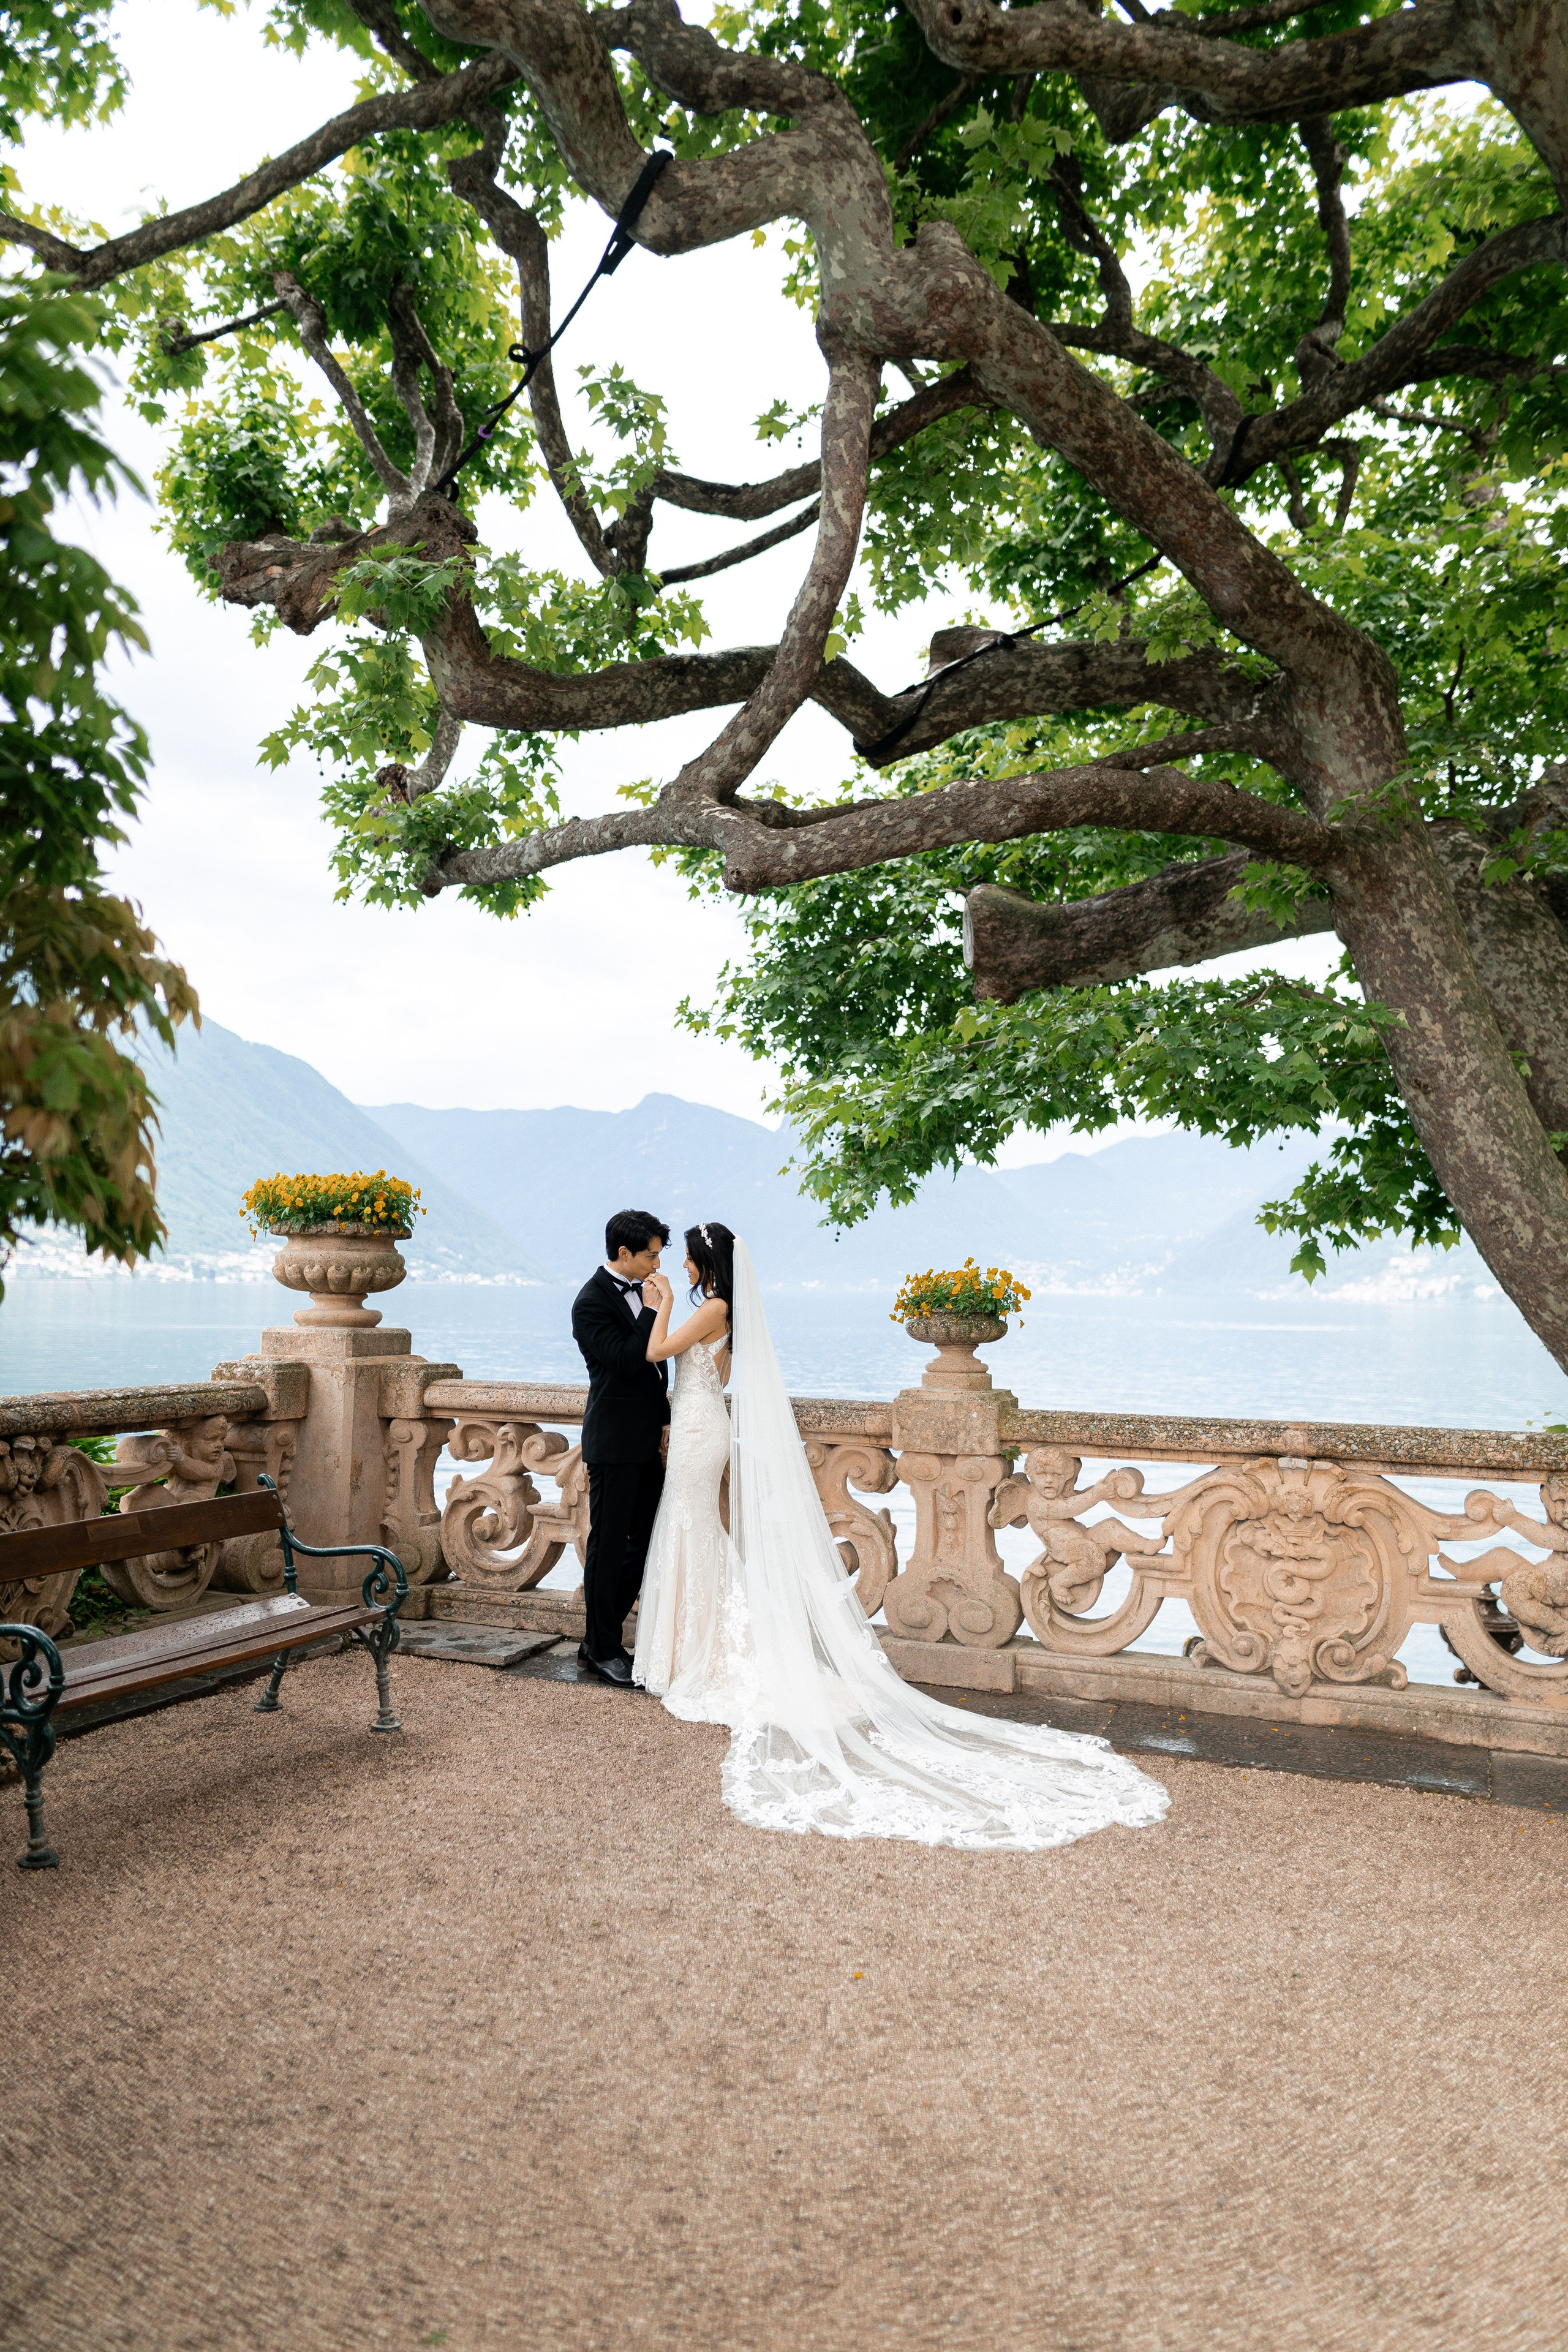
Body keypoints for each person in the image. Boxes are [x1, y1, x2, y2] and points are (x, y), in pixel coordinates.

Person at [633, 1223, 1169, 1852]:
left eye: (687, 1262)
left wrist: (660, 1303)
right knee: (693, 1529)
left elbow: (656, 1354)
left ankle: (694, 1652)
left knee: (693, 1526)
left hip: (700, 1430)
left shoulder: (714, 1309)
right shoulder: (725, 1314)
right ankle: (689, 1646)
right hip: (701, 1423)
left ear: (704, 1265)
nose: (679, 1269)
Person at [570, 1209, 671, 1685]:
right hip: (612, 1442)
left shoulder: (644, 1289)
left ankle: (599, 1636)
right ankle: (603, 1648)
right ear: (624, 1253)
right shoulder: (590, 1302)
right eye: (650, 1254)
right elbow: (626, 1363)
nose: (657, 1262)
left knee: (644, 1540)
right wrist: (651, 1310)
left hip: (647, 1439)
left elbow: (656, 1369)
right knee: (607, 1547)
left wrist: (667, 1422)